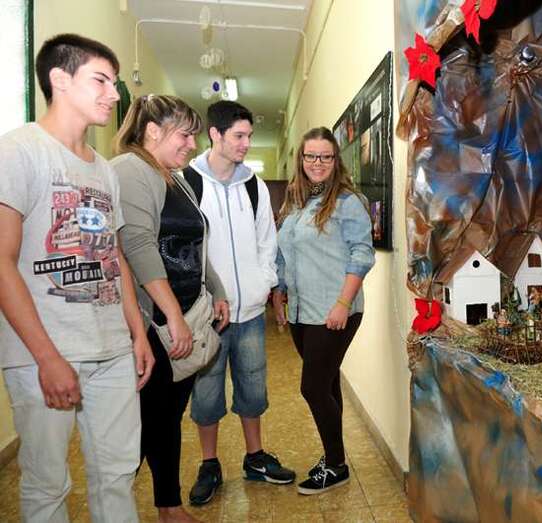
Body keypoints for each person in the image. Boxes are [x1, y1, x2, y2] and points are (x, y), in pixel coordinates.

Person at [0, 34, 154, 522]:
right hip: (45, 350)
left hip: (112, 349)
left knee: (117, 474)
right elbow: (2, 261)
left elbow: (114, 258)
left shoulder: (104, 170)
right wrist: (47, 358)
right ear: (60, 80)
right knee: (47, 483)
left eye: (115, 83)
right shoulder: (18, 151)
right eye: (101, 81)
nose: (113, 94)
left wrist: (136, 334)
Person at [112, 94, 230, 522]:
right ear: (152, 131)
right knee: (147, 422)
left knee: (166, 417)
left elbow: (196, 242)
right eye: (185, 135)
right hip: (154, 323)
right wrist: (173, 317)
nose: (192, 144)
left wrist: (216, 289)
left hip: (184, 314)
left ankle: (168, 506)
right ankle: (115, 505)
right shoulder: (130, 170)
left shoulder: (176, 178)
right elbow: (138, 247)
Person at [183, 101, 295, 506]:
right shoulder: (186, 182)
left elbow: (267, 240)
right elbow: (183, 247)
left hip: (249, 313)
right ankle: (209, 464)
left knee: (253, 388)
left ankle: (255, 457)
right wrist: (201, 297)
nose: (246, 143)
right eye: (239, 136)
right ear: (215, 134)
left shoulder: (254, 185)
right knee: (206, 393)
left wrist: (263, 285)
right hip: (207, 316)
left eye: (249, 135)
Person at [273, 127, 375, 495]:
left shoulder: (349, 202)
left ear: (336, 160)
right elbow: (284, 254)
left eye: (326, 157)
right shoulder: (296, 202)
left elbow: (362, 254)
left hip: (335, 311)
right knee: (328, 383)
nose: (318, 163)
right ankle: (334, 456)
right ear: (301, 159)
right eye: (311, 156)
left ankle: (336, 465)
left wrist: (343, 304)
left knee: (313, 387)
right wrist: (279, 294)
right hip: (302, 311)